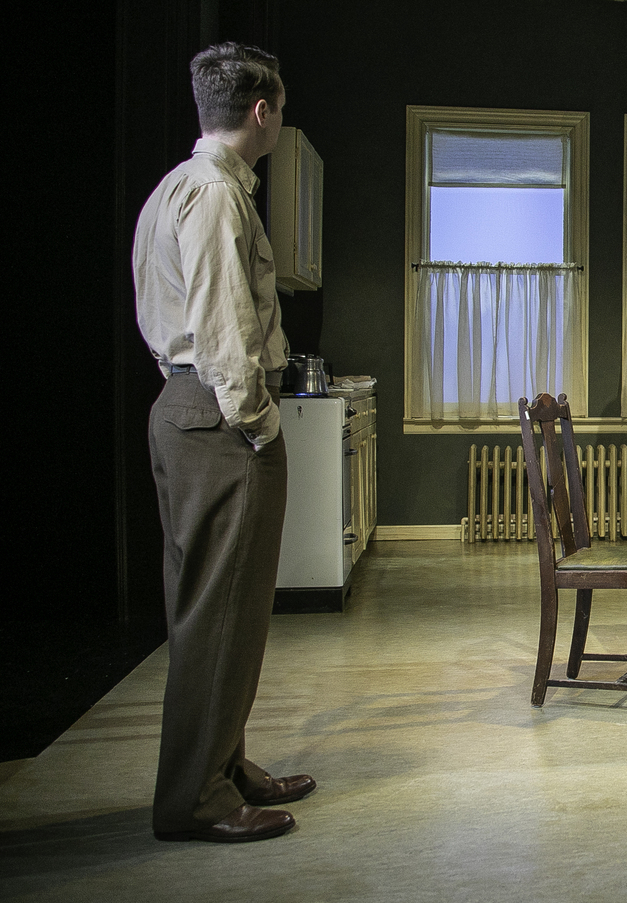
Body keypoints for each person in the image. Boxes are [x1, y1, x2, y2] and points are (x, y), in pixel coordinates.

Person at [133, 42, 315, 843]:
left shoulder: (179, 185)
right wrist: (259, 421)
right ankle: (197, 799)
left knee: (217, 610)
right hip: (220, 418)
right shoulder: (215, 196)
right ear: (262, 111)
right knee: (220, 613)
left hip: (187, 406)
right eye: (279, 110)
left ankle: (224, 764)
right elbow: (222, 326)